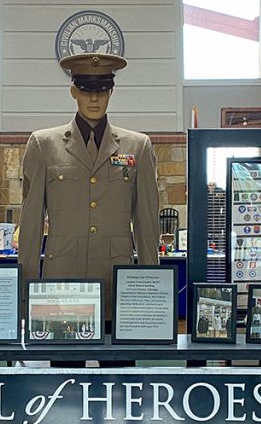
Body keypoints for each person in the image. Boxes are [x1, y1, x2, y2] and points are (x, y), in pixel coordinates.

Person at [18, 53, 159, 356]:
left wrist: (150, 288)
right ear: (73, 92)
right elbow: (30, 224)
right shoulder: (44, 144)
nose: (94, 99)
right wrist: (26, 293)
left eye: (101, 91)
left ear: (111, 92)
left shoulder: (138, 146)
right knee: (64, 385)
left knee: (120, 385)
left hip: (116, 285)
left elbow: (147, 223)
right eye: (85, 90)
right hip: (61, 285)